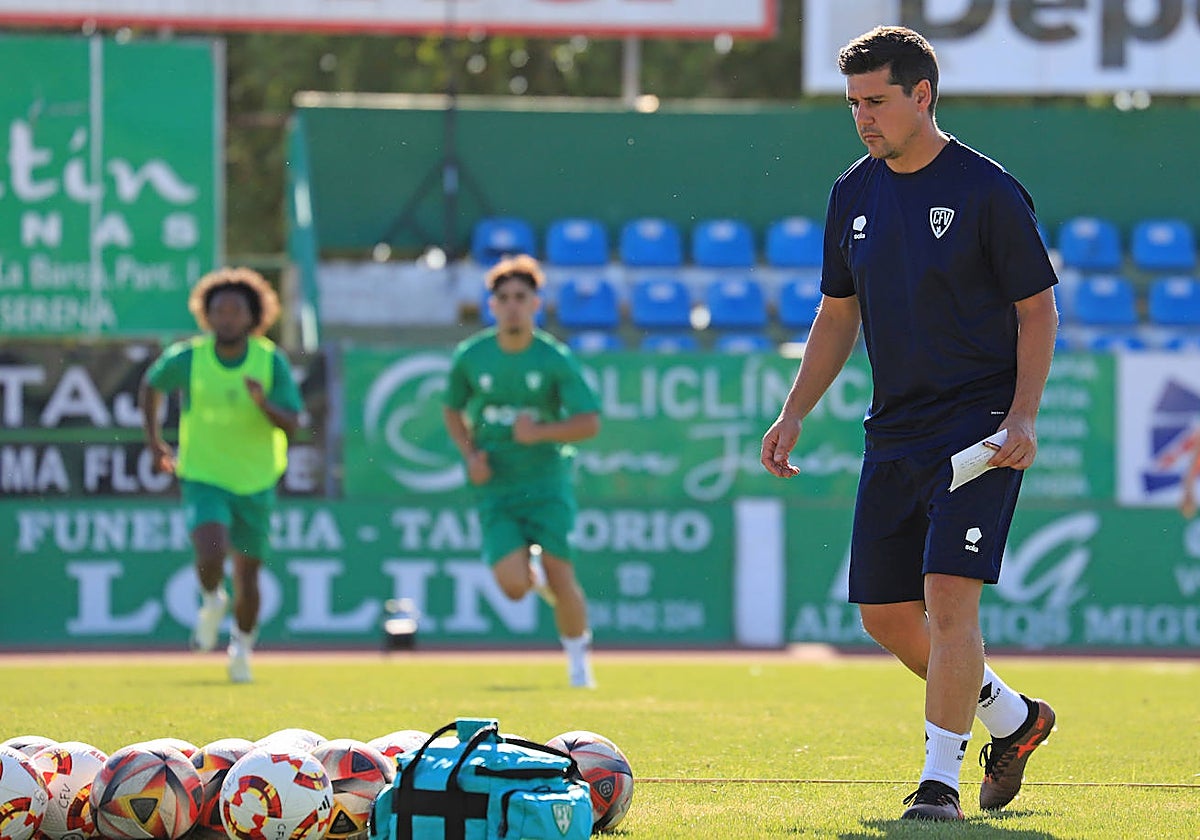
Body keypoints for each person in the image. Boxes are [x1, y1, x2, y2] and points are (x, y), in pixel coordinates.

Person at [759, 26, 1059, 821]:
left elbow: (1037, 310)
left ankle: (938, 783)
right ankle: (1014, 718)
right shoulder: (851, 193)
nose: (863, 117)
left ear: (922, 95)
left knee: (950, 601)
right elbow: (837, 314)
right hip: (893, 430)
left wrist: (1023, 415)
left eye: (877, 101)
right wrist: (793, 411)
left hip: (979, 428)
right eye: (853, 103)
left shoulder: (987, 189)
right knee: (886, 615)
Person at [442, 254, 601, 688]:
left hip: (546, 482)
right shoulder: (471, 356)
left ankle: (579, 666)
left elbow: (589, 422)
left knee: (561, 574)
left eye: (521, 297)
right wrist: (470, 455)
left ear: (536, 304)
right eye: (504, 298)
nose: (512, 305)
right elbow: (452, 409)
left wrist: (541, 432)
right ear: (491, 305)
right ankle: (532, 571)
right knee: (513, 588)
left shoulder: (554, 358)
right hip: (496, 486)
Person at [140, 267, 303, 684]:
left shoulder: (269, 360)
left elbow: (292, 423)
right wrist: (155, 442)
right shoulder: (189, 357)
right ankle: (212, 599)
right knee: (210, 550)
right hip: (203, 473)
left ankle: (242, 648)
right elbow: (151, 386)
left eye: (236, 311)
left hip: (256, 479)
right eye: (219, 311)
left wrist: (263, 403)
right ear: (206, 315)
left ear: (253, 316)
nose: (227, 319)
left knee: (248, 575)